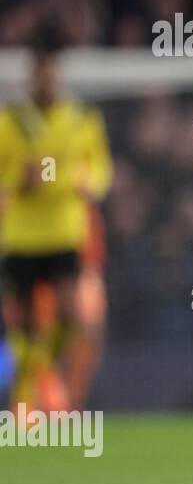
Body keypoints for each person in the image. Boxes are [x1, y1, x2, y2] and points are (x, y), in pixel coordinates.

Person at [0, 46, 113, 412]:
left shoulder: (81, 118)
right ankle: (30, 390)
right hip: (22, 236)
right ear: (31, 77)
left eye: (51, 74)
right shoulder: (11, 122)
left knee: (70, 316)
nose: (46, 80)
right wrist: (18, 179)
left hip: (64, 233)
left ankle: (35, 378)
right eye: (40, 74)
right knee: (24, 323)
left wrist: (88, 183)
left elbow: (100, 169)